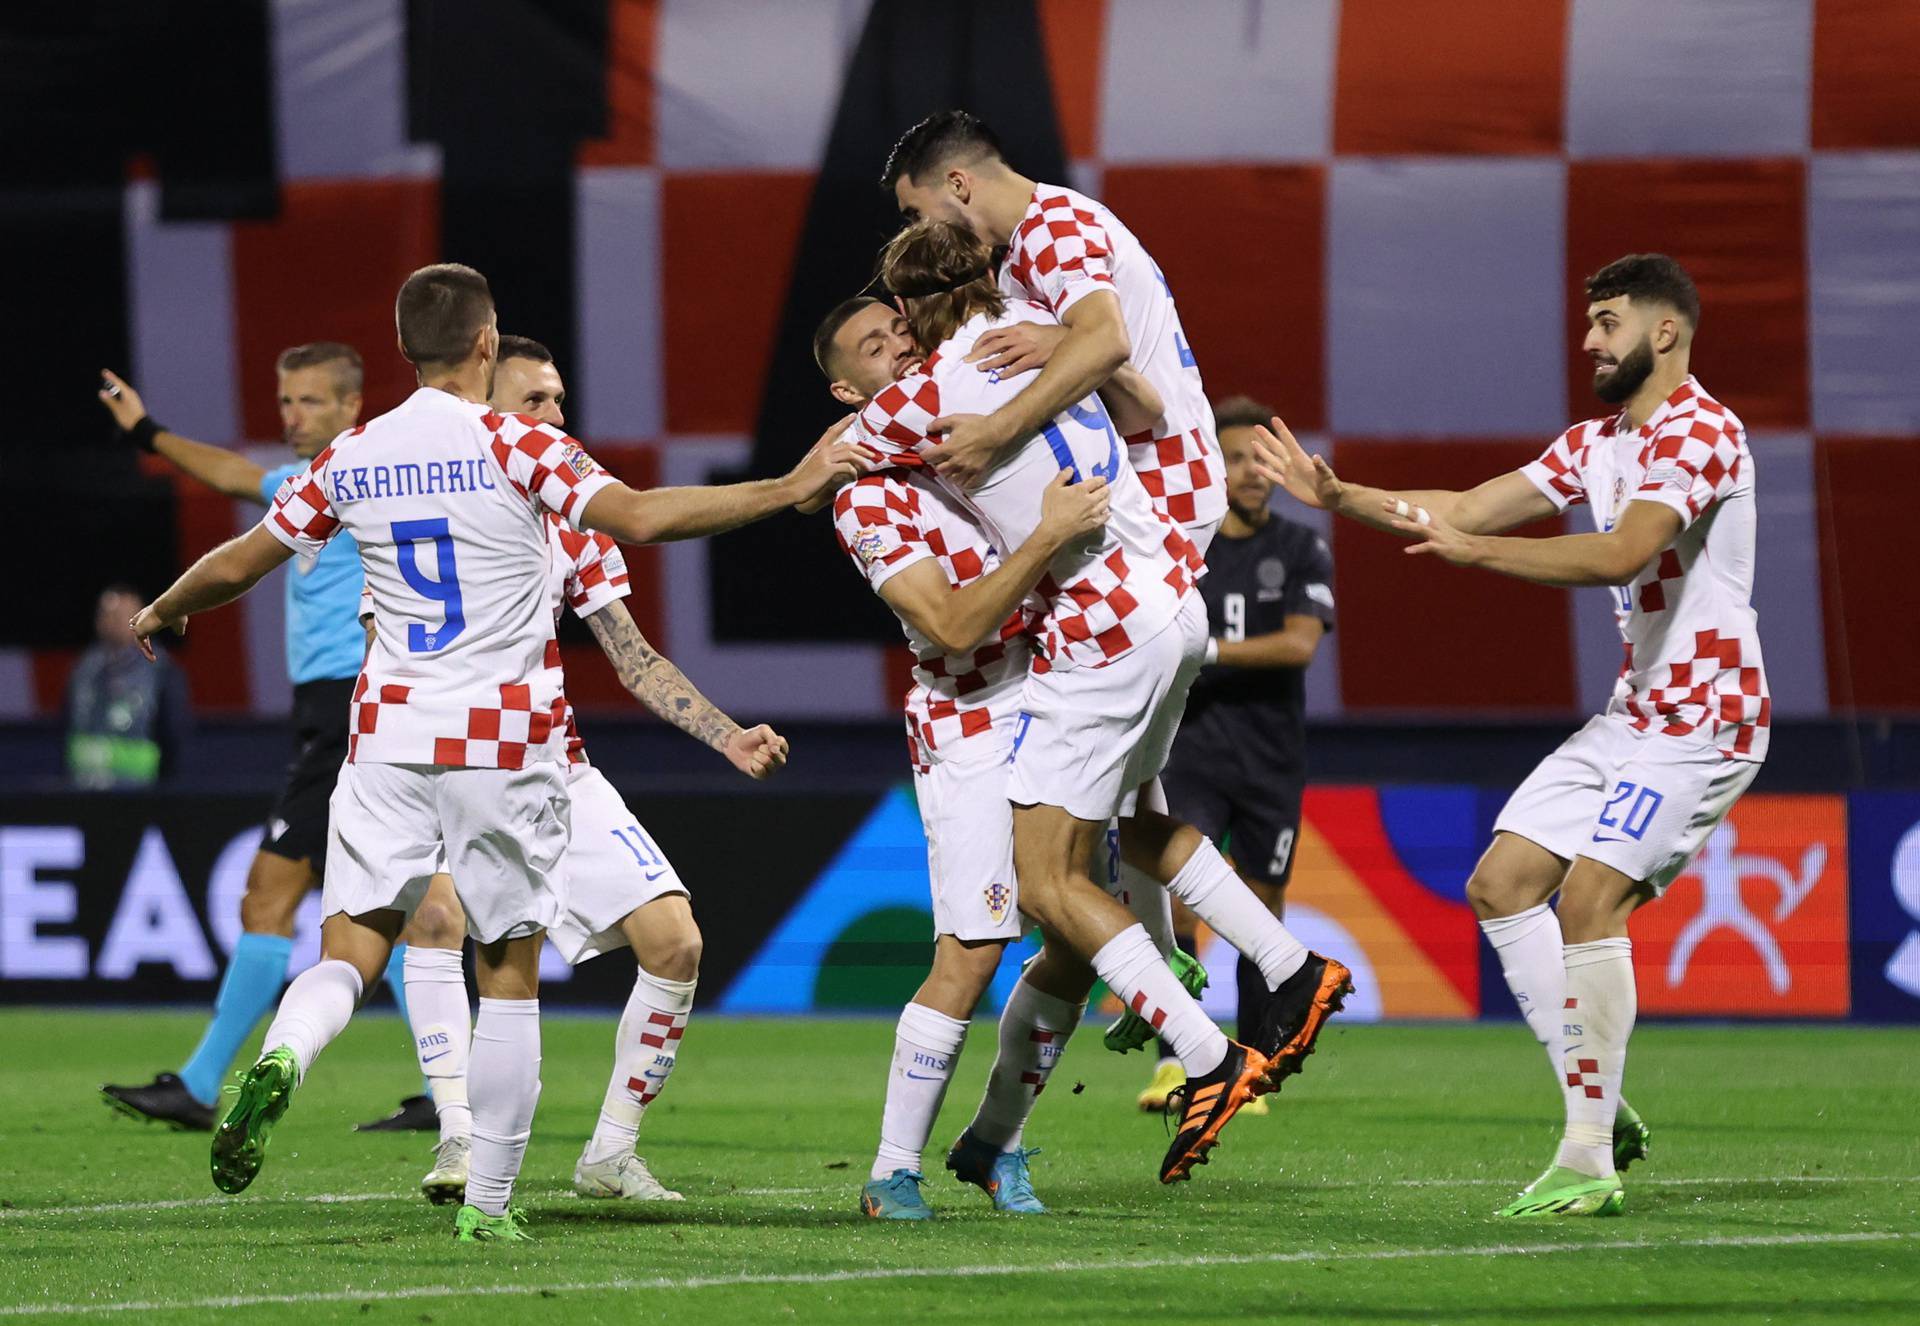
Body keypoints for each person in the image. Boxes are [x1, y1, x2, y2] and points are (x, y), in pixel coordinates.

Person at [127, 262, 862, 1240]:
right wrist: (790, 485)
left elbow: (244, 559)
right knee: (506, 969)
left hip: (384, 736)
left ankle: (285, 1057)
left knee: (351, 945)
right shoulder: (518, 448)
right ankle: (488, 1205)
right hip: (499, 738)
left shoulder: (352, 457)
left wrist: (169, 605)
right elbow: (643, 516)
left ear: (400, 349)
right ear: (485, 344)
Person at [1250, 254, 1766, 1218]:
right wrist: (1343, 497)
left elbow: (1619, 551)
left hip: (1708, 713)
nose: (1588, 342)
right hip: (1637, 710)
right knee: (1500, 885)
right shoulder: (1594, 442)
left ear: (1665, 333)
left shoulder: (1699, 433)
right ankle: (1602, 1109)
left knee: (1589, 897)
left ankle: (1586, 1154)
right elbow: (1466, 509)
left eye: (1607, 323)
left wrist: (1476, 553)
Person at [850, 225, 1351, 1185]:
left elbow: (819, 470)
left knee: (1047, 888)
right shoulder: (1049, 333)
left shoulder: (922, 398)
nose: (898, 343)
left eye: (897, 323)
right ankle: (1284, 969)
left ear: (915, 310)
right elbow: (1143, 394)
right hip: (1166, 601)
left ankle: (1205, 1056)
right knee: (1123, 835)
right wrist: (1073, 351)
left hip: (1092, 638)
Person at [392, 335, 789, 1208]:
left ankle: (609, 1152)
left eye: (560, 401)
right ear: (485, 409)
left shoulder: (570, 512)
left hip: (555, 769)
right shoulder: (423, 504)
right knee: (437, 915)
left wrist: (725, 736)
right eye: (535, 402)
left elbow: (632, 654)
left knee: (676, 941)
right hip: (455, 765)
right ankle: (458, 1134)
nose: (557, 418)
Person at [814, 295, 1125, 1217]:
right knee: (974, 949)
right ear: (847, 388)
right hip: (970, 718)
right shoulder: (867, 495)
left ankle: (994, 1140)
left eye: (902, 331)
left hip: (1058, 700)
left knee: (1072, 947)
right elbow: (951, 623)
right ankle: (891, 1169)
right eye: (874, 347)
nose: (900, 347)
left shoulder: (975, 437)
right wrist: (1045, 536)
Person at [96, 345, 446, 1134]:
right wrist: (148, 431)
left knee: (272, 894)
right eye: (286, 401)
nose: (292, 416)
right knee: (379, 908)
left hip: (351, 708)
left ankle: (198, 1082)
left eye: (311, 402)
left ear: (353, 408)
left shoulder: (359, 485)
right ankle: (445, 1084)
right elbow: (226, 473)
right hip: (335, 714)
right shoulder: (309, 485)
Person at [1140, 397, 1336, 1112]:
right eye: (1235, 459)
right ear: (1209, 468)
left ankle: (1250, 1066)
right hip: (1187, 750)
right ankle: (1176, 1061)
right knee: (1177, 910)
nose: (1253, 473)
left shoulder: (1300, 548)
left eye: (1262, 458)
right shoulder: (1180, 551)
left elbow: (1300, 645)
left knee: (1261, 906)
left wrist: (1207, 650)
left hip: (1269, 757)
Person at [65, 584, 192, 788]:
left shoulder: (161, 671)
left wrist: (166, 793)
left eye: (120, 615)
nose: (111, 622)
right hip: (83, 790)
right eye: (105, 614)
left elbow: (174, 738)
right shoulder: (83, 670)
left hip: (140, 792)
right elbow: (66, 727)